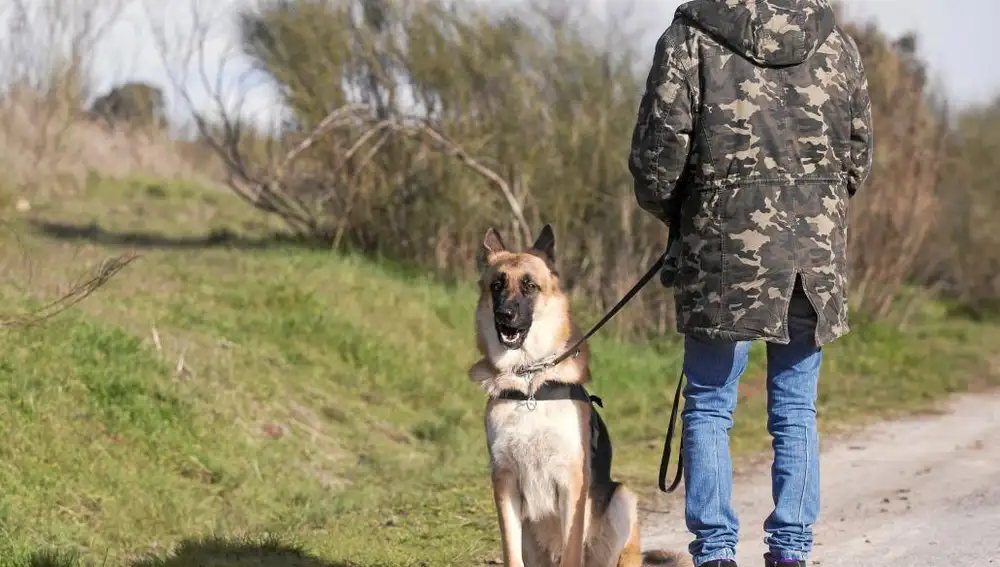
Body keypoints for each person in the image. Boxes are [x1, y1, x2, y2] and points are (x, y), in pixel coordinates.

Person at [627, 0, 874, 566]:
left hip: (721, 256)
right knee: (796, 410)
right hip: (811, 257)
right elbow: (858, 160)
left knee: (711, 405)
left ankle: (715, 554)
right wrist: (816, 211)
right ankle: (790, 552)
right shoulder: (836, 44)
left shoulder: (688, 40)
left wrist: (685, 217)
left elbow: (656, 165)